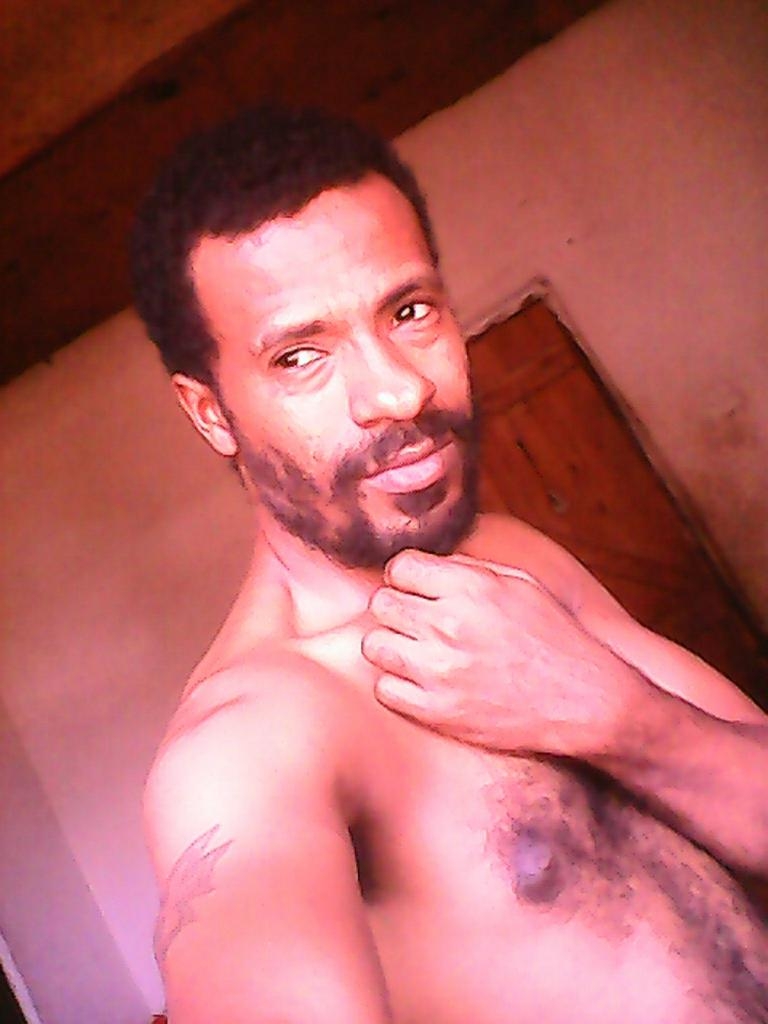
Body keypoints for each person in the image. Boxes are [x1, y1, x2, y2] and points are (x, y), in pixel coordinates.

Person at [131, 105, 768, 1023]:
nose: (400, 389)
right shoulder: (246, 744)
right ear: (210, 414)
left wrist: (618, 715)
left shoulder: (510, 557)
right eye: (301, 356)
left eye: (410, 311)